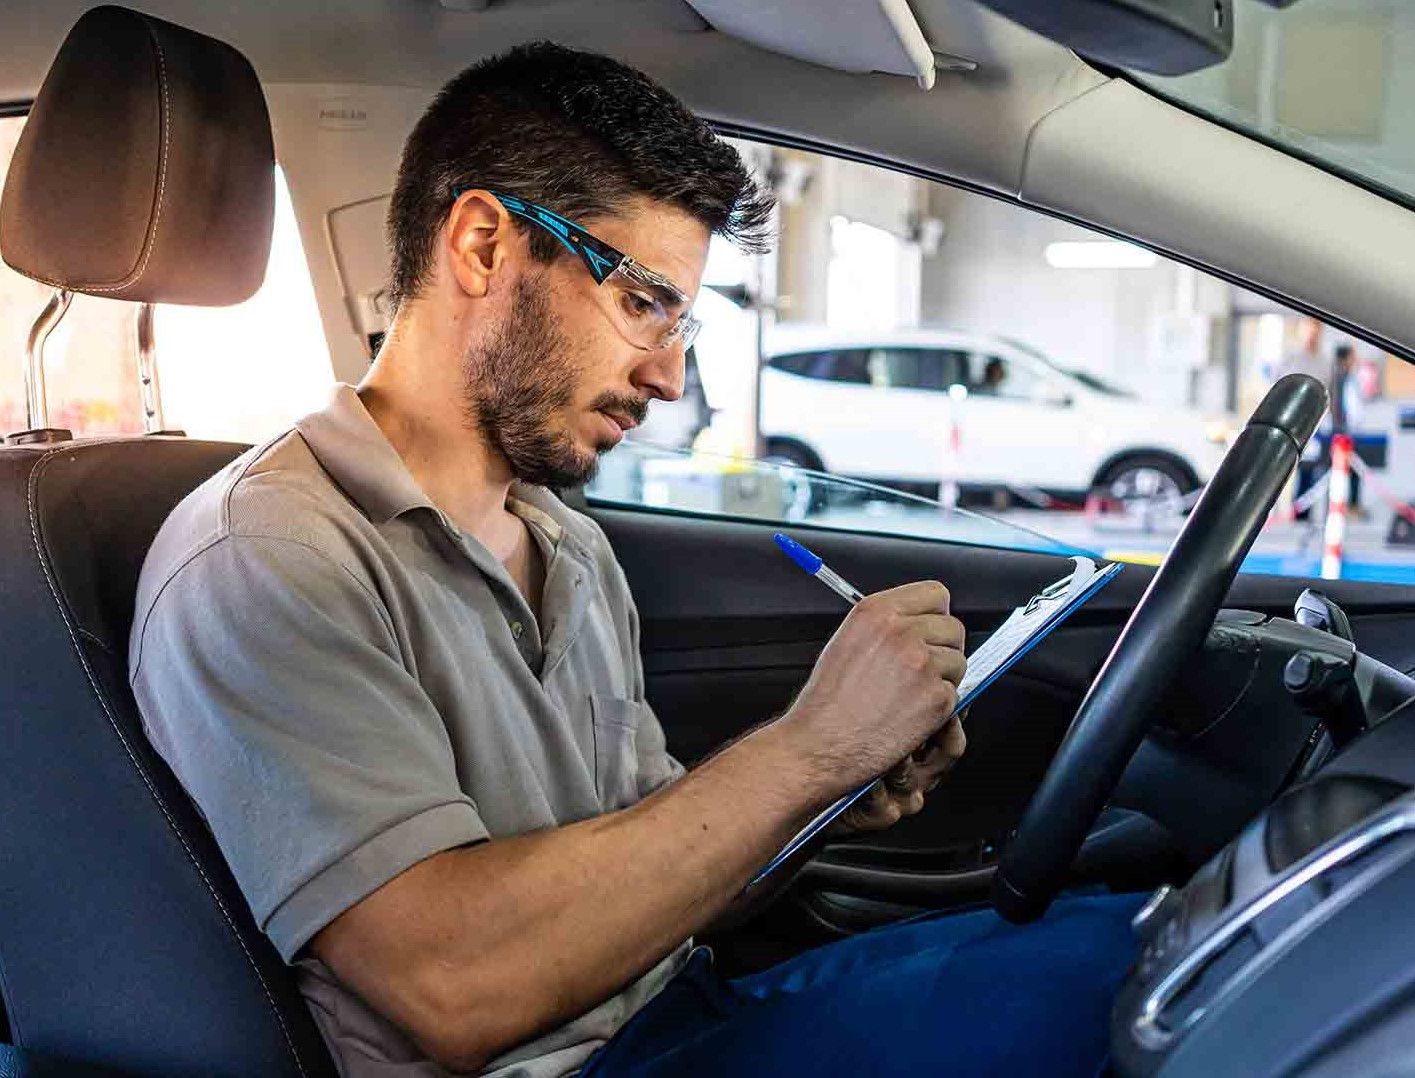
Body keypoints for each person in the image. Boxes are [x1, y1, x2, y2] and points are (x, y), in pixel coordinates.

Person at [129, 43, 1140, 1078]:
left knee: (1142, 943)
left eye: (682, 321)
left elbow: (652, 866)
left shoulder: (567, 544)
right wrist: (806, 749)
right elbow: (449, 983)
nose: (666, 376)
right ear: (482, 245)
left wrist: (826, 786)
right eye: (643, 301)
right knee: (1134, 991)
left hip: (680, 1013)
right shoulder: (268, 557)